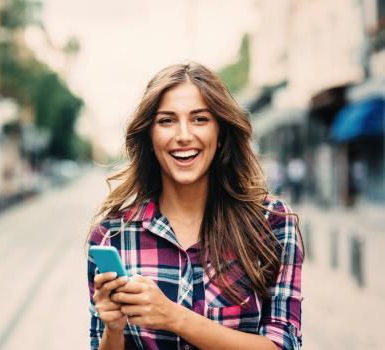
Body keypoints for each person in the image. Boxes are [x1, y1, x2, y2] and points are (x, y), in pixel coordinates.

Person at [86, 62, 303, 350]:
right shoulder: (112, 235)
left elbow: (283, 346)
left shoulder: (271, 223)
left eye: (200, 119)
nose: (184, 135)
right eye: (167, 121)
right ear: (150, 137)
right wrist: (112, 330)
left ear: (221, 132)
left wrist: (174, 317)